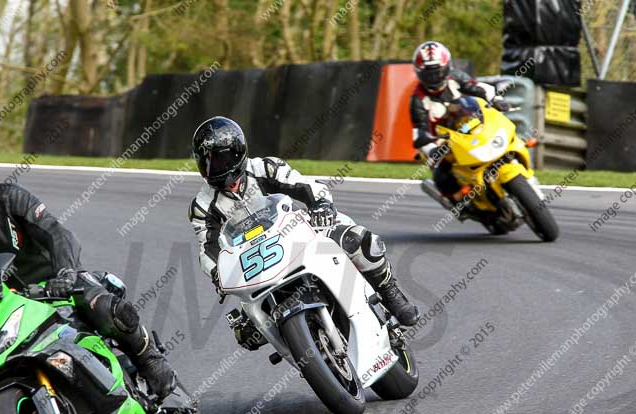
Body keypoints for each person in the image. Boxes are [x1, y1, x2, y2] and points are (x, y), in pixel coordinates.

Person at [0, 156, 176, 397]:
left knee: (105, 307)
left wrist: (67, 273)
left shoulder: (6, 199)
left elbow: (56, 233)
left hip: (58, 285)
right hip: (10, 313)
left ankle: (149, 358)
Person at [186, 116, 419, 336]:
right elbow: (207, 249)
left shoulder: (265, 168)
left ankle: (390, 293)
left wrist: (321, 205)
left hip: (296, 236)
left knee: (357, 240)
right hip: (256, 262)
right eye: (207, 162)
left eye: (221, 159)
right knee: (247, 332)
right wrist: (217, 273)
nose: (214, 167)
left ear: (238, 152)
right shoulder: (202, 206)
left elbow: (306, 185)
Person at [410, 40, 508, 203]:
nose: (434, 78)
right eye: (428, 74)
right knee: (441, 175)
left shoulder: (456, 78)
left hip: (471, 124)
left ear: (446, 67)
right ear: (419, 73)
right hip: (444, 141)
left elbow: (479, 88)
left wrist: (496, 99)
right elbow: (419, 131)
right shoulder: (418, 99)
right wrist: (432, 149)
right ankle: (460, 203)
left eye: (437, 72)